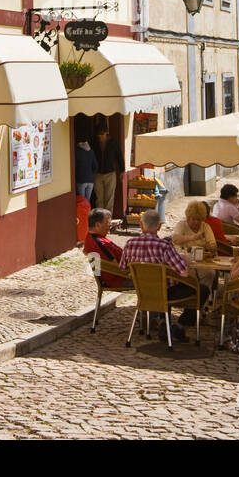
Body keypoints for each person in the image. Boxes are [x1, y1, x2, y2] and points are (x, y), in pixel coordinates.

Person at [121, 209, 196, 341]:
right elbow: (183, 273)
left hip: (142, 291)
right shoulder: (164, 246)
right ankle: (178, 326)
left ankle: (162, 323)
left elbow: (123, 268)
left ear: (140, 225)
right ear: (160, 226)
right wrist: (184, 260)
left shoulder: (129, 244)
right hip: (165, 292)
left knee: (163, 285)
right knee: (200, 289)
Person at [84, 208, 126, 288]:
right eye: (107, 223)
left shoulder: (91, 237)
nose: (110, 225)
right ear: (97, 225)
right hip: (121, 279)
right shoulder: (100, 244)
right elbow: (116, 267)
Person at [92, 122, 124, 213]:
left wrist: (122, 170)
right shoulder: (95, 143)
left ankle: (108, 220)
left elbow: (119, 156)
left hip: (110, 173)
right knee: (99, 199)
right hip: (97, 174)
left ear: (106, 133)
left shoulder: (113, 143)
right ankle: (100, 218)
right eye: (98, 135)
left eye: (102, 134)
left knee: (109, 199)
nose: (100, 137)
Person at [75, 138, 97, 202]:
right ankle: (88, 212)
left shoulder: (76, 151)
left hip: (81, 180)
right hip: (90, 181)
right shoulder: (91, 151)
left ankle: (84, 212)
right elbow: (95, 166)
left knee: (82, 201)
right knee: (87, 202)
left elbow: (75, 166)